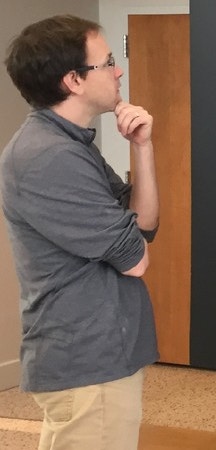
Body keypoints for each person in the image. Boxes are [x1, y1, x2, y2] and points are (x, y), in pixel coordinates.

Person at [1, 15, 159, 450]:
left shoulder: (71, 143)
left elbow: (142, 225)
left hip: (97, 355)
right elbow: (136, 260)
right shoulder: (48, 157)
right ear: (74, 79)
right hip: (86, 362)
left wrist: (141, 147)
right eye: (108, 61)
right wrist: (131, 241)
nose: (119, 70)